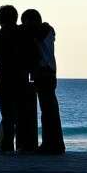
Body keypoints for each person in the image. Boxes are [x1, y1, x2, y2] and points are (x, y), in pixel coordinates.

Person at [0, 5, 35, 155]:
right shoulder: (24, 34)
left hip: (4, 78)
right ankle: (26, 144)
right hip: (21, 77)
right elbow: (31, 54)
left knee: (7, 113)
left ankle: (7, 144)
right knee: (23, 112)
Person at [22, 8, 66, 154]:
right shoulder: (46, 31)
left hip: (44, 72)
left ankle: (50, 144)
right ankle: (55, 143)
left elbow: (33, 35)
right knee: (50, 110)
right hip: (48, 73)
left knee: (48, 111)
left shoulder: (42, 31)